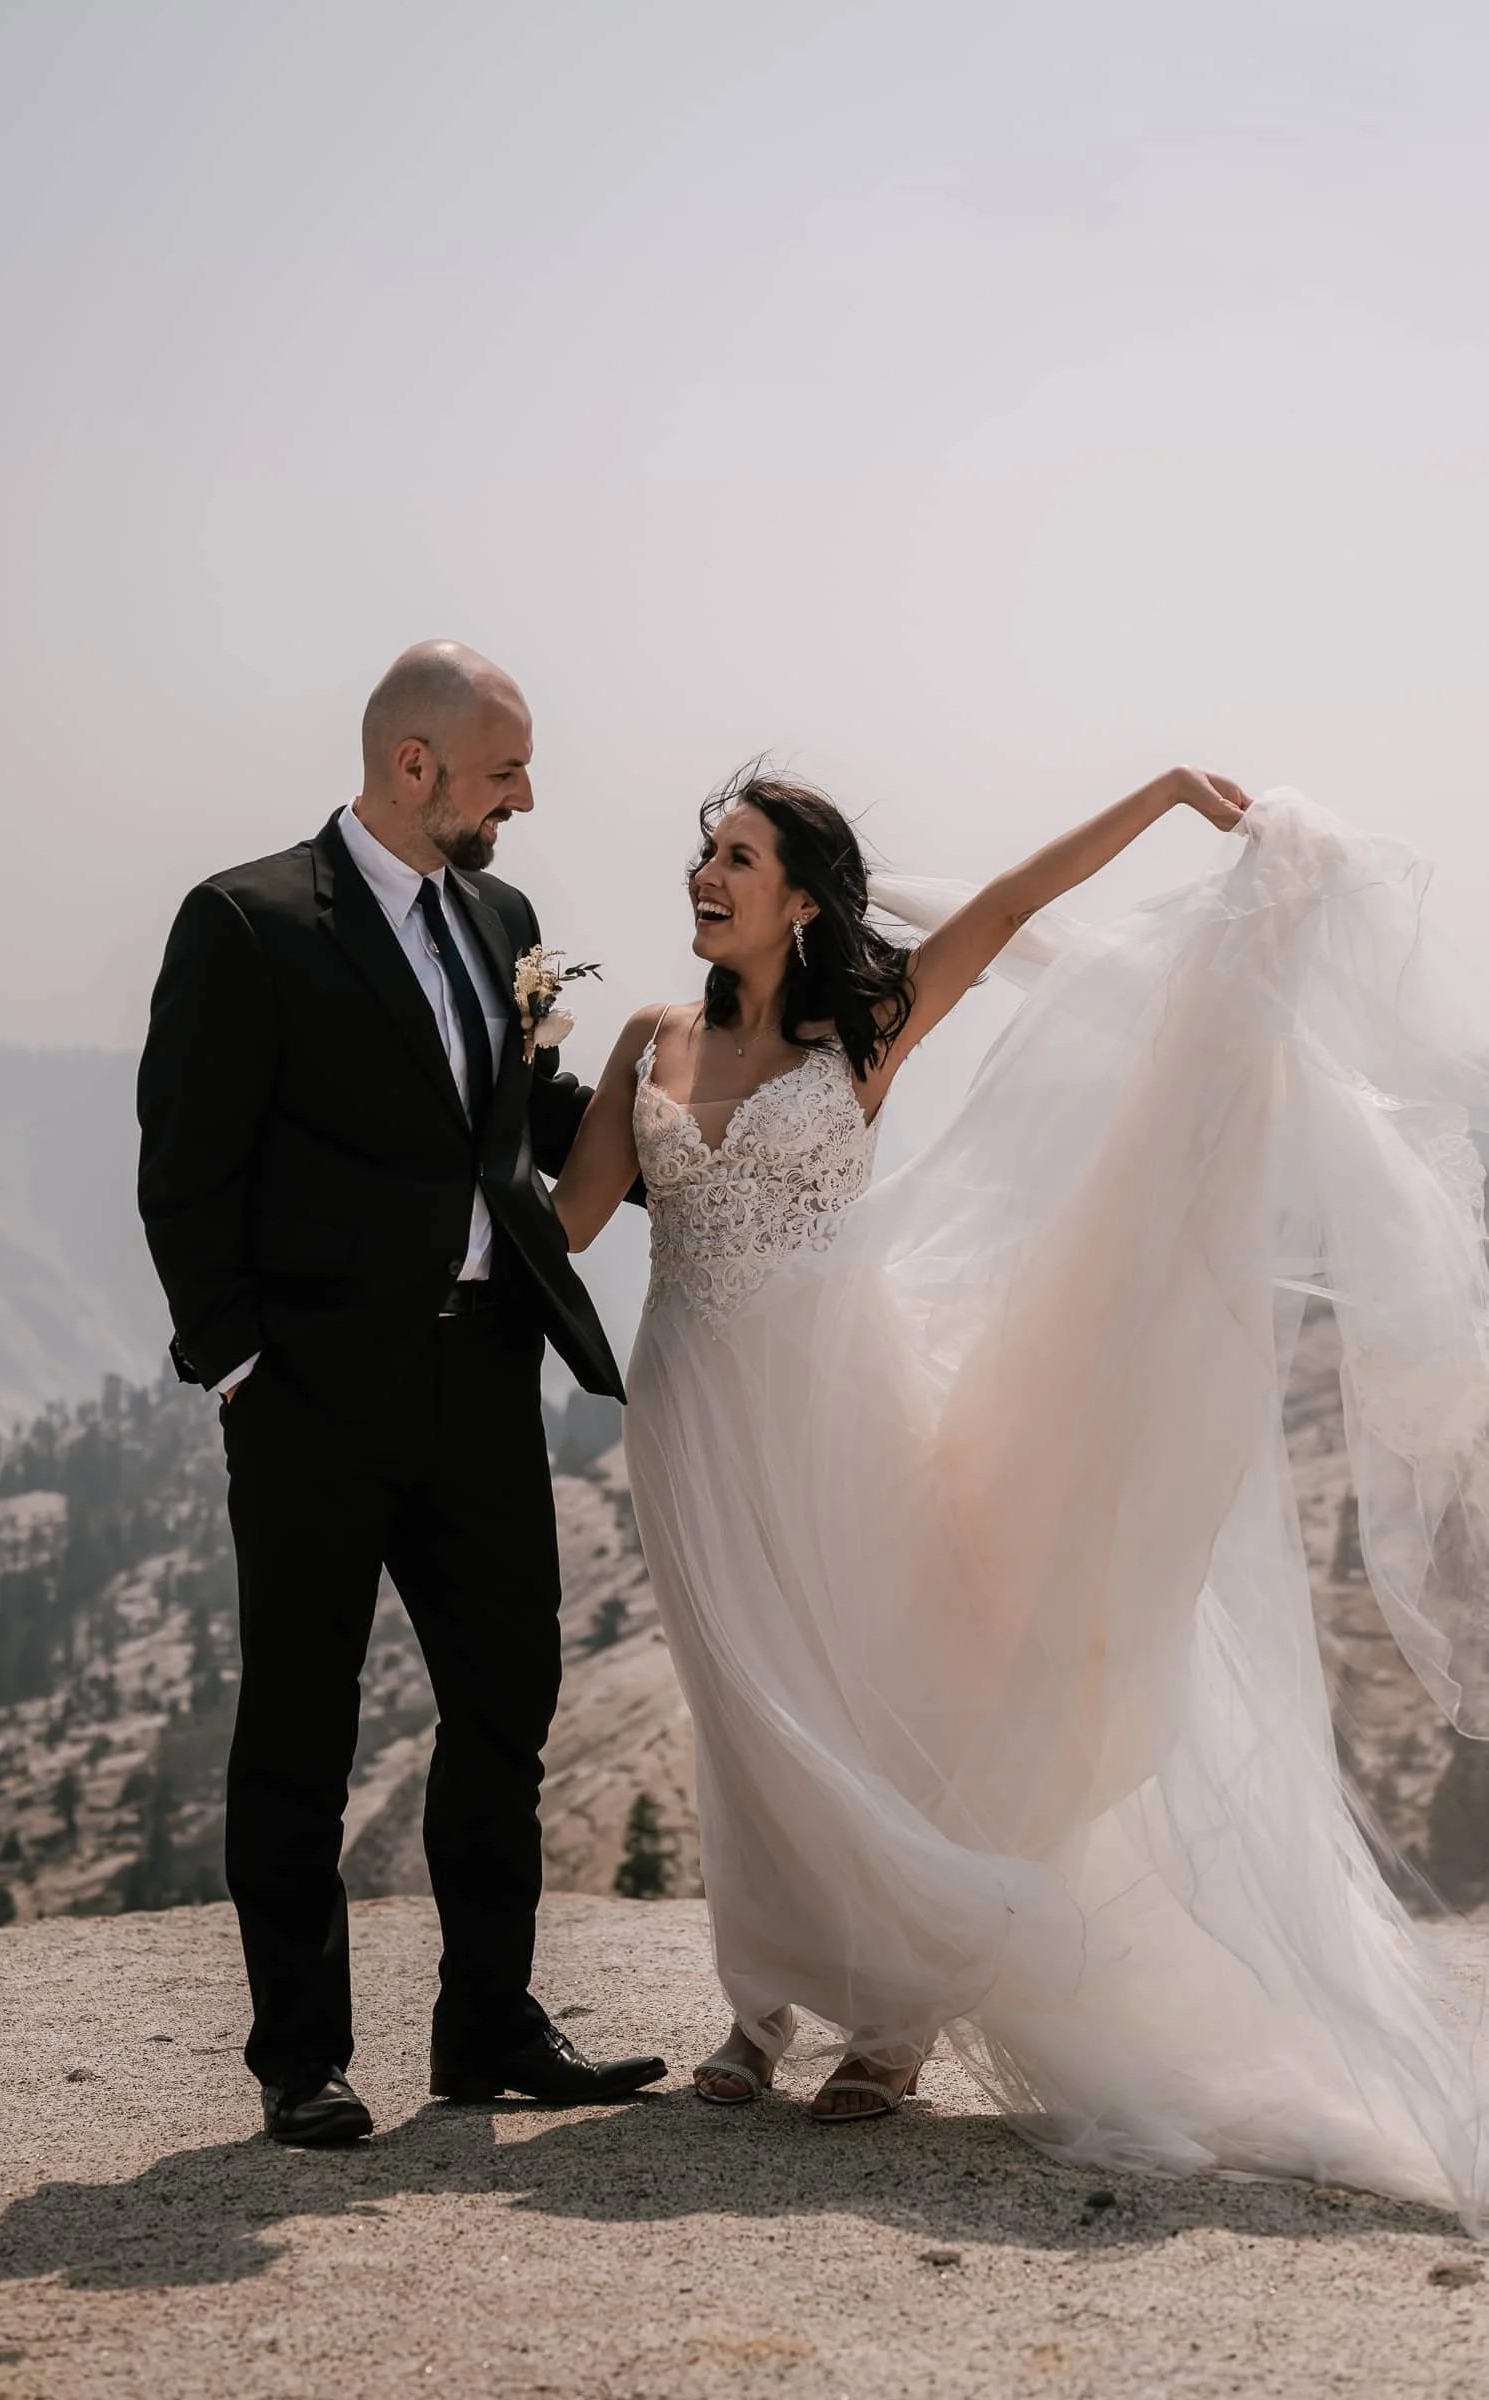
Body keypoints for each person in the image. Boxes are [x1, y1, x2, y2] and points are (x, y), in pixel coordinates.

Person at [552, 759, 1489, 2222]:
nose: (705, 877)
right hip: (687, 1414)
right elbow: (570, 1220)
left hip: (835, 1406)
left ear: (801, 898)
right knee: (739, 1704)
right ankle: (758, 2004)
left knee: (869, 1687)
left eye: (736, 858)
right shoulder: (644, 1038)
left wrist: (1164, 796)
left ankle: (893, 2017)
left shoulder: (861, 1020)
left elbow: (1007, 905)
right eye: (703, 854)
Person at [136, 642, 665, 2145]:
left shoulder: (503, 917)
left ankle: (486, 2027)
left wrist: (690, 1123)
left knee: (506, 1705)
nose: (529, 796)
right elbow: (185, 1168)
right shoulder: (245, 920)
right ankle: (300, 2058)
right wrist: (238, 1367)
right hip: (311, 1396)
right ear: (415, 765)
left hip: (484, 1376)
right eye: (506, 769)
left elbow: (518, 1114)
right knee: (300, 1726)